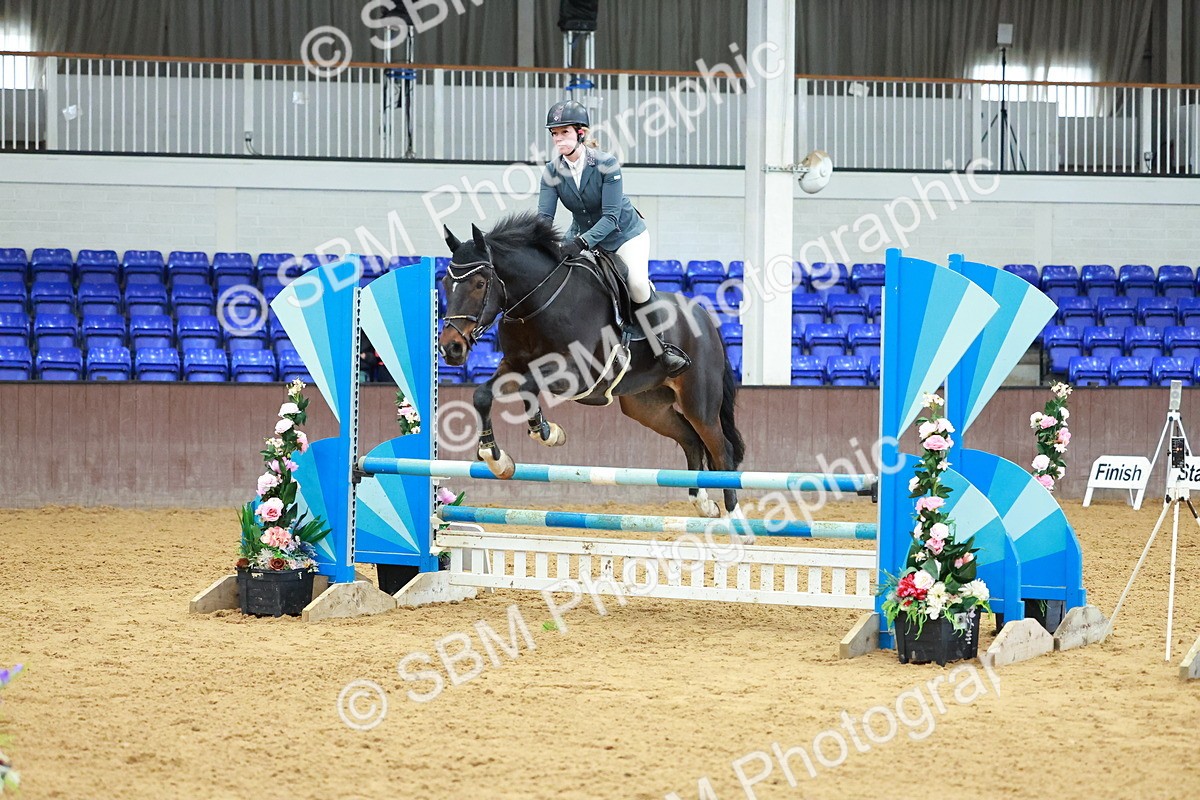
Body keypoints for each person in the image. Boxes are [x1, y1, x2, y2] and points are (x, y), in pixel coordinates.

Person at [537, 100, 691, 377]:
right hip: (582, 234)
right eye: (555, 134)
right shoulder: (551, 171)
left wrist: (581, 243)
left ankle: (662, 348)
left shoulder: (606, 164)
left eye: (564, 133)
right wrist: (539, 245)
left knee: (637, 285)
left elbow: (610, 217)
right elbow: (544, 219)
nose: (558, 139)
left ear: (580, 134)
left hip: (623, 235)